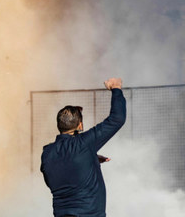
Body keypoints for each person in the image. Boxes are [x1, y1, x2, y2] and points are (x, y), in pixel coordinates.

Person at [41, 77, 126, 217]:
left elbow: (54, 177)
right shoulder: (84, 144)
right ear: (80, 125)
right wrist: (116, 88)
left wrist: (88, 159)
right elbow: (117, 119)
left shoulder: (47, 153)